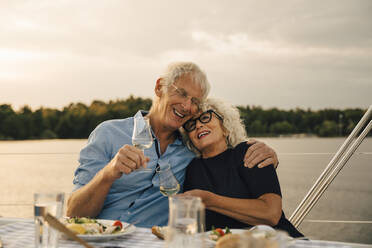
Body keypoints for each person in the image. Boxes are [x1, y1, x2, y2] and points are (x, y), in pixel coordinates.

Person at [66, 62, 279, 228]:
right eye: (182, 93)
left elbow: (224, 155)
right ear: (160, 87)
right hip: (98, 238)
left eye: (195, 102)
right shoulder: (108, 133)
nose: (187, 106)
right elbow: (73, 214)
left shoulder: (191, 150)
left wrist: (266, 154)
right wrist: (109, 173)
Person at [181, 98, 303, 237]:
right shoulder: (192, 169)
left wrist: (211, 201)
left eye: (205, 118)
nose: (198, 125)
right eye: (191, 124)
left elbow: (271, 213)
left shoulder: (250, 152)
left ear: (225, 127)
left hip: (278, 241)